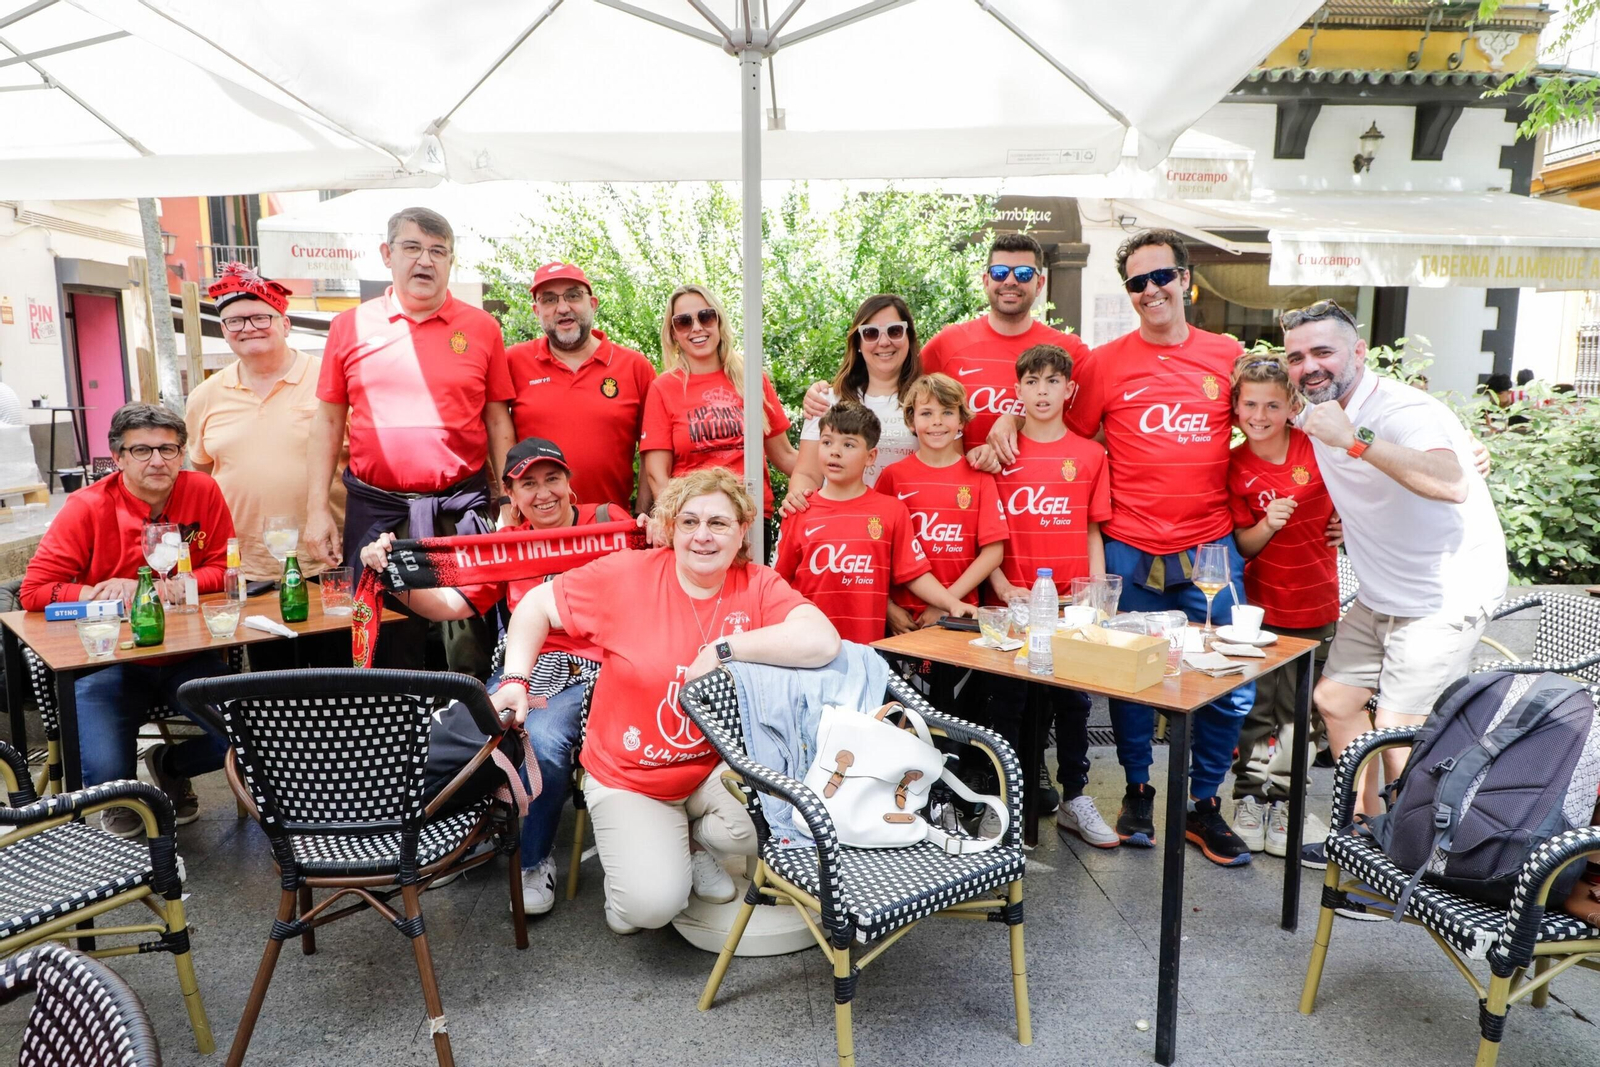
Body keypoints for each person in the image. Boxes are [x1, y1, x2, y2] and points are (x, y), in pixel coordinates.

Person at [493, 467, 840, 934]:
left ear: (742, 531)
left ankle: (693, 843)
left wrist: (724, 649)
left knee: (779, 821)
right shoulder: (628, 575)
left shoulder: (756, 583)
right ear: (671, 528)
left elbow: (822, 639)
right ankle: (651, 865)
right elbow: (535, 604)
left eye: (718, 523)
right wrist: (516, 678)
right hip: (631, 777)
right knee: (650, 909)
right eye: (689, 522)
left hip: (714, 769)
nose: (703, 536)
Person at [1281, 299, 1508, 879]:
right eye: (1296, 357)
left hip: (1444, 592)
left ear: (1358, 352)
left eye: (1323, 352)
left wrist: (1355, 439)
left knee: (1397, 732)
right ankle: (1366, 829)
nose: (1309, 366)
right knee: (1336, 701)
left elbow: (1451, 481)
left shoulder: (1402, 409)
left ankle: (1406, 864)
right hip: (1382, 589)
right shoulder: (1314, 409)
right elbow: (1246, 398)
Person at [1055, 229, 1256, 868]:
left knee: (1231, 677)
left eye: (1161, 276)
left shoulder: (1227, 355)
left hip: (1209, 544)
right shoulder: (1104, 363)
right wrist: (1007, 420)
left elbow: (1271, 426)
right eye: (1137, 282)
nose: (1151, 290)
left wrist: (1316, 506)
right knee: (1130, 674)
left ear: (1186, 279)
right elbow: (1067, 438)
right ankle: (1137, 789)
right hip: (1129, 543)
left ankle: (1203, 803)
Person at [361, 437, 622, 917]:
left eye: (552, 479)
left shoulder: (608, 521)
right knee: (455, 730)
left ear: (570, 483)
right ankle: (454, 839)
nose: (543, 493)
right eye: (528, 485)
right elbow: (449, 605)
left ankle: (533, 860)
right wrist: (390, 576)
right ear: (513, 496)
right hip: (527, 666)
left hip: (598, 667)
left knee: (542, 738)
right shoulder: (507, 546)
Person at [305, 207, 515, 669]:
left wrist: (508, 500)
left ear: (451, 261)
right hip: (376, 513)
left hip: (458, 511)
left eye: (438, 251)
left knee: (468, 646)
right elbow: (328, 422)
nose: (425, 260)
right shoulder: (349, 326)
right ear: (387, 254)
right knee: (383, 644)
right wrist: (316, 508)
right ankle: (391, 717)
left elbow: (497, 419)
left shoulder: (482, 328)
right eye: (413, 247)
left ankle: (469, 715)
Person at [20, 404, 235, 836]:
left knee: (255, 735)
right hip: (110, 661)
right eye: (141, 450)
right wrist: (96, 592)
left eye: (168, 449)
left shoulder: (203, 489)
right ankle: (124, 795)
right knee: (105, 778)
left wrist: (175, 585)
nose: (157, 461)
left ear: (182, 453)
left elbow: (225, 567)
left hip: (188, 654)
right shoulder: (86, 506)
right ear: (118, 457)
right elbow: (34, 590)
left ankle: (170, 764)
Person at [986, 344, 1116, 849]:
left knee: (1074, 702)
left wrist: (1097, 597)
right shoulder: (1001, 454)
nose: (1042, 392)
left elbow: (1091, 529)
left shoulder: (1090, 455)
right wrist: (1001, 586)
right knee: (1010, 703)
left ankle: (1076, 796)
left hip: (1071, 604)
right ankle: (1008, 801)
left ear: (1069, 389)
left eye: (1052, 381)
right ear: (1017, 390)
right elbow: (985, 534)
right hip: (1015, 602)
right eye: (1032, 381)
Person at [1225, 352, 1339, 858]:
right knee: (1255, 708)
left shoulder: (1317, 448)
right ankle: (1249, 799)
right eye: (1250, 404)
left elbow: (1362, 493)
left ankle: (1287, 802)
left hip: (1314, 601)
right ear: (1236, 407)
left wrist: (1348, 524)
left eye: (1272, 405)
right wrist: (1267, 524)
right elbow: (1242, 546)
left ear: (1292, 405)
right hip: (1258, 607)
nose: (1260, 415)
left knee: (1300, 714)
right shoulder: (1233, 466)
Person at [186, 263, 347, 585]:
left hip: (325, 557)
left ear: (285, 324)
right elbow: (204, 475)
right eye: (234, 321)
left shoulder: (331, 381)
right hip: (241, 564)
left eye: (261, 318)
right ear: (224, 330)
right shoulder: (204, 396)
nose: (248, 328)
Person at [773, 401, 972, 644]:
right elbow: (779, 584)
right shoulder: (799, 510)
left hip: (868, 651)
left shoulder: (891, 511)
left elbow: (914, 574)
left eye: (848, 444)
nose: (835, 452)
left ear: (871, 457)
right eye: (827, 442)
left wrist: (952, 604)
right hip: (809, 648)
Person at [918, 232, 1090, 463]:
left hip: (1040, 484)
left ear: (1039, 284)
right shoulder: (947, 343)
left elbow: (1090, 431)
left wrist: (1017, 421)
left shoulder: (1070, 351)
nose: (1010, 281)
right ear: (986, 281)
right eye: (999, 272)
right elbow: (906, 406)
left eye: (1023, 273)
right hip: (965, 483)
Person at [506, 262, 657, 515]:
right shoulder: (513, 362)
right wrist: (506, 507)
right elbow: (494, 434)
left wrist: (642, 516)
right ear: (536, 310)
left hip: (609, 524)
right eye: (549, 299)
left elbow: (653, 452)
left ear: (593, 303)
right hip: (537, 527)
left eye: (573, 296)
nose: (563, 307)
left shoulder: (635, 367)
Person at [641, 285, 797, 518]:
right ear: (673, 333)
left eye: (706, 316)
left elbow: (785, 456)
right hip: (696, 520)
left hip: (751, 517)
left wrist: (838, 481)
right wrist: (675, 523)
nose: (696, 327)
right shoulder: (663, 388)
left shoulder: (751, 378)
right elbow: (657, 475)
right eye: (683, 322)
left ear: (719, 321)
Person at [874, 373, 1007, 635]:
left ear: (961, 420)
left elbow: (993, 553)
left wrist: (946, 603)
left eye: (947, 412)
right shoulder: (893, 477)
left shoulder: (979, 477)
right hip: (905, 620)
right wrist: (888, 607)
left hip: (961, 616)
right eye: (926, 413)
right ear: (911, 421)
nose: (937, 422)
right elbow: (877, 551)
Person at [783, 294, 921, 508]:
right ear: (858, 342)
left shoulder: (929, 402)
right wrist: (799, 502)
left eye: (894, 331)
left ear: (908, 338)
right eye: (871, 333)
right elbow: (807, 474)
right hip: (842, 523)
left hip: (915, 521)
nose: (884, 342)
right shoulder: (827, 400)